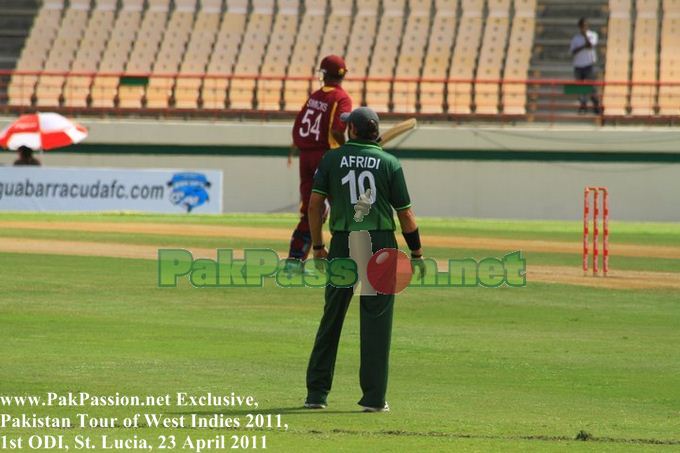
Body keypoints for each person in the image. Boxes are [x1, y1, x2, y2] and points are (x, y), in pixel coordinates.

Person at [304, 107, 424, 412]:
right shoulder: (390, 163)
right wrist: (417, 251)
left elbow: (315, 205)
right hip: (380, 244)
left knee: (332, 318)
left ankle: (316, 394)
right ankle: (373, 399)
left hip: (344, 242)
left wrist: (317, 246)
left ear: (353, 131)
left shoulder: (331, 159)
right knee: (376, 322)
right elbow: (406, 215)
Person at [287, 55, 352, 264]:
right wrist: (348, 148)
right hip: (326, 156)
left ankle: (295, 260)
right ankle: (341, 257)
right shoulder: (342, 98)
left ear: (323, 74)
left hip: (305, 157)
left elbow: (299, 126)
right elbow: (337, 129)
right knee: (339, 207)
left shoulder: (314, 96)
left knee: (310, 210)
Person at [570, 18, 601, 114]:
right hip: (578, 65)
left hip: (588, 64)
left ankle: (596, 105)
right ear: (580, 27)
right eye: (582, 26)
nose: (584, 28)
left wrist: (585, 37)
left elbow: (591, 45)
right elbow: (573, 51)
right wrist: (583, 46)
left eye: (586, 26)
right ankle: (583, 105)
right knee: (579, 87)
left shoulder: (593, 35)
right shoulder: (575, 38)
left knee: (591, 86)